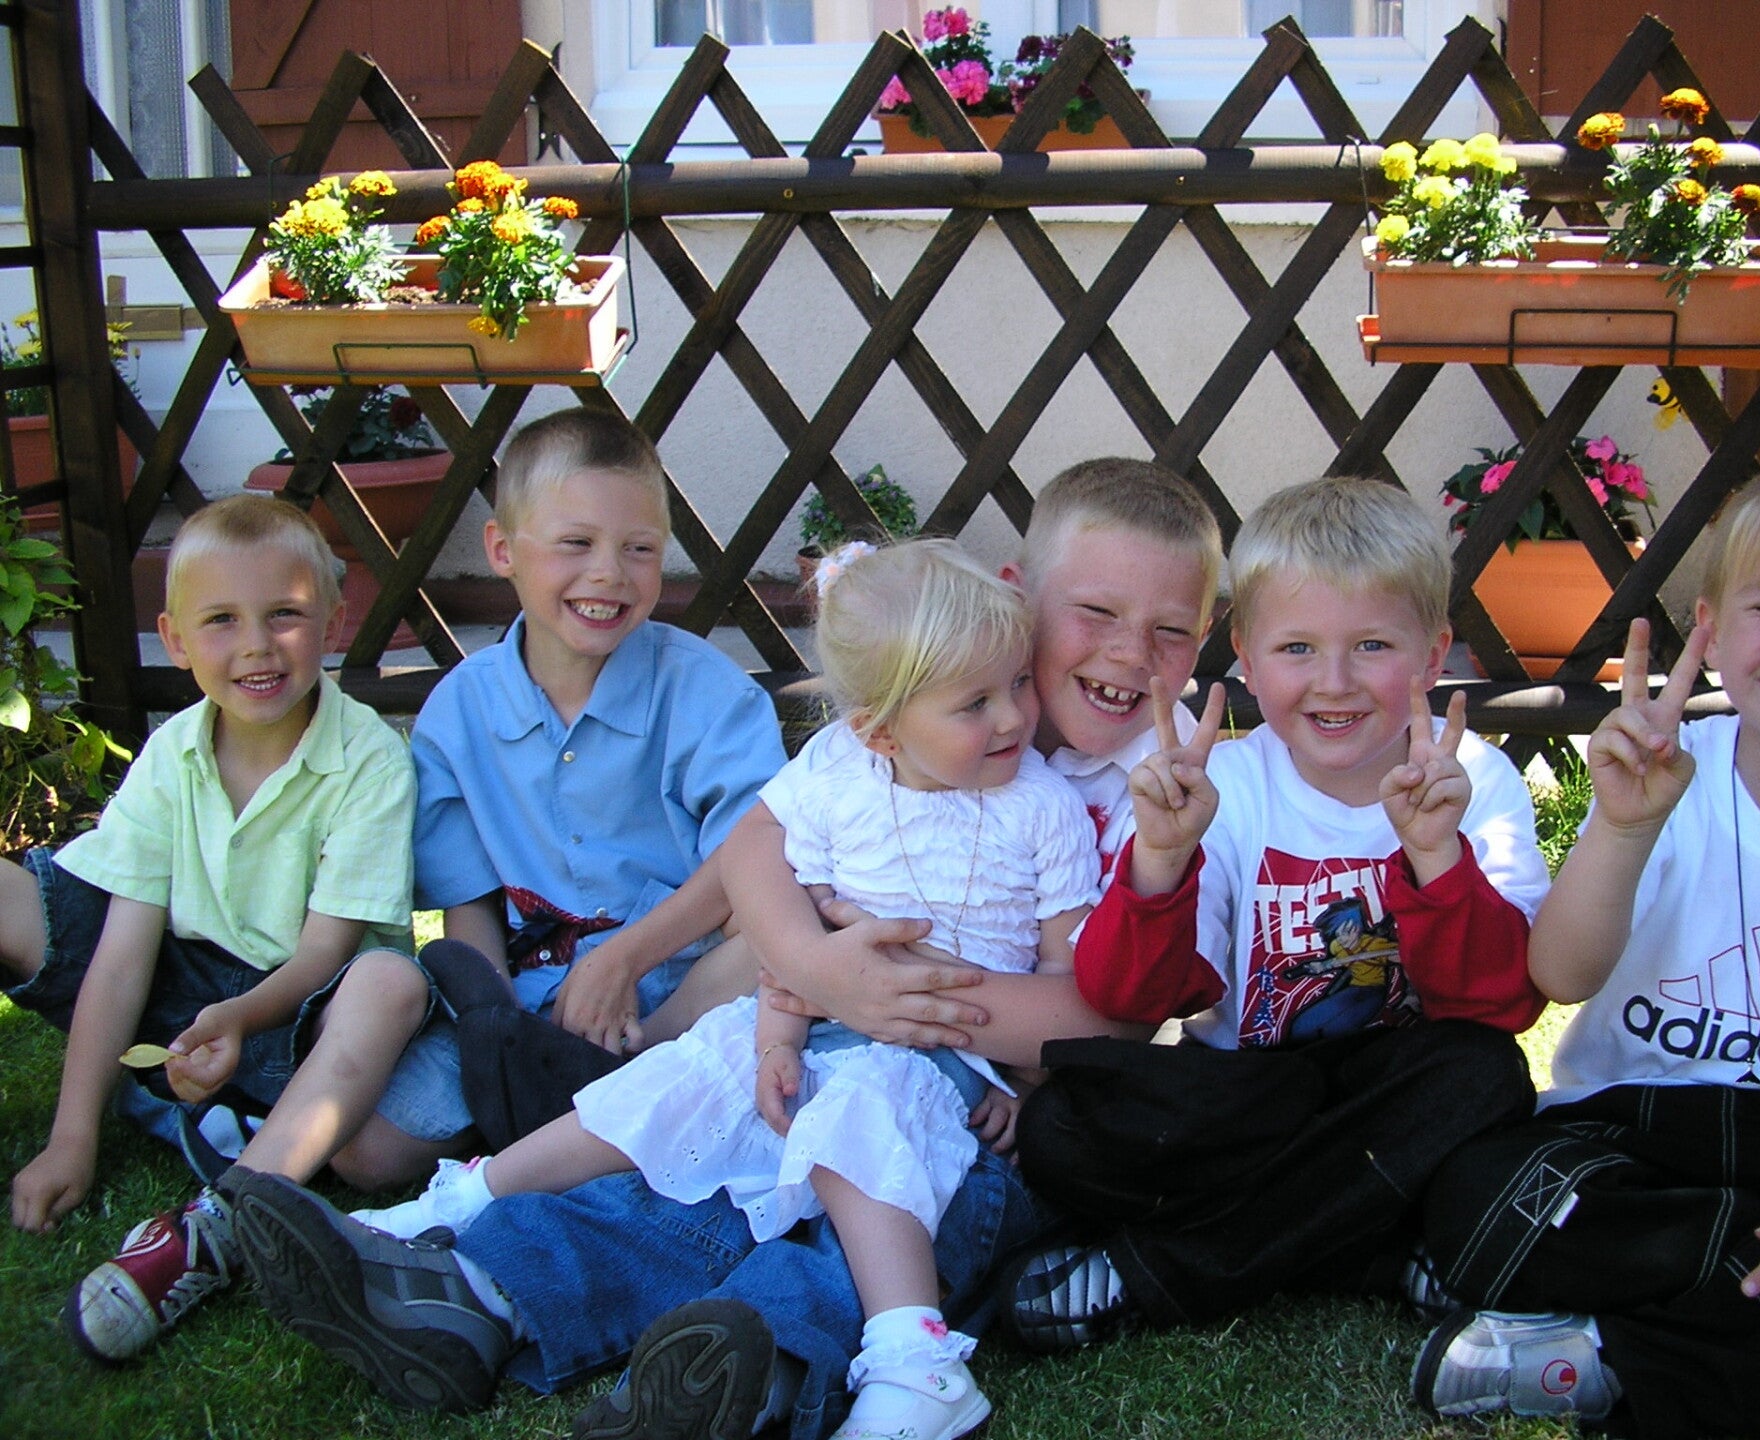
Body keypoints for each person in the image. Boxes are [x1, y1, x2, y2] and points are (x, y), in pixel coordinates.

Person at [218, 457, 1224, 1438]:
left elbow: (1114, 1013)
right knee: (690, 1163)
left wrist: (894, 1000)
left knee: (874, 1212)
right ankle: (483, 1289)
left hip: (993, 1102)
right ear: (1018, 595)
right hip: (826, 1035)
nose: (1129, 654)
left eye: (1172, 631)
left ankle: (767, 1371)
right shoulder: (911, 709)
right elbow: (758, 844)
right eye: (1095, 613)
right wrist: (815, 971)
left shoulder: (1164, 793)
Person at [350, 539, 1103, 1440]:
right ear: (879, 730)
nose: (1015, 715)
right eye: (978, 701)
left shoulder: (1043, 809)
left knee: (846, 1180)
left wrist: (1027, 1086)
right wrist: (780, 1030)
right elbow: (783, 888)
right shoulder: (841, 771)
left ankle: (891, 1364)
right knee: (679, 1106)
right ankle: (472, 1247)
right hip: (815, 1034)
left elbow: (1065, 976)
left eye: (1017, 684)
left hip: (939, 1081)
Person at [1410, 453, 1760, 1440]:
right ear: (1714, 633)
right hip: (1625, 1132)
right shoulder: (1661, 776)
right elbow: (1560, 976)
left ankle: (1602, 1356)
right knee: (1476, 1193)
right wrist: (1623, 825)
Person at [1000, 474, 1552, 1352]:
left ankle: (1162, 1271)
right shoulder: (1224, 785)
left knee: (1486, 1080)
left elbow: (1502, 1004)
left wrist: (1438, 859)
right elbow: (1135, 998)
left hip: (1393, 1093)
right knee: (1063, 1129)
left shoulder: (1473, 781)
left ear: (1434, 652)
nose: (1334, 682)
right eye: (1297, 648)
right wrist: (1160, 863)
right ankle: (1370, 1251)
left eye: (1372, 645)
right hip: (1248, 1099)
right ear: (1247, 659)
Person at [0, 494, 424, 1361]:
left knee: (392, 987)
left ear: (334, 620)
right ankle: (169, 1106)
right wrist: (72, 1138)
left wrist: (238, 1019)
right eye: (222, 620)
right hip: (181, 994)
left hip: (303, 1024)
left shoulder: (372, 760)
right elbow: (123, 953)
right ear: (176, 638)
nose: (257, 645)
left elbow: (325, 955)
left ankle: (225, 1213)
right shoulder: (172, 754)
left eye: (285, 615)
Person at [391, 405, 787, 1145]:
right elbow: (467, 906)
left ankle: (630, 1085)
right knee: (373, 1152)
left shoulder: (707, 693)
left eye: (640, 548)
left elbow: (753, 859)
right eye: (576, 543)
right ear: (503, 549)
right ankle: (572, 1103)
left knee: (779, 937)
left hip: (685, 990)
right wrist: (497, 1028)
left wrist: (624, 961)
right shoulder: (460, 714)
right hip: (534, 997)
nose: (609, 573)